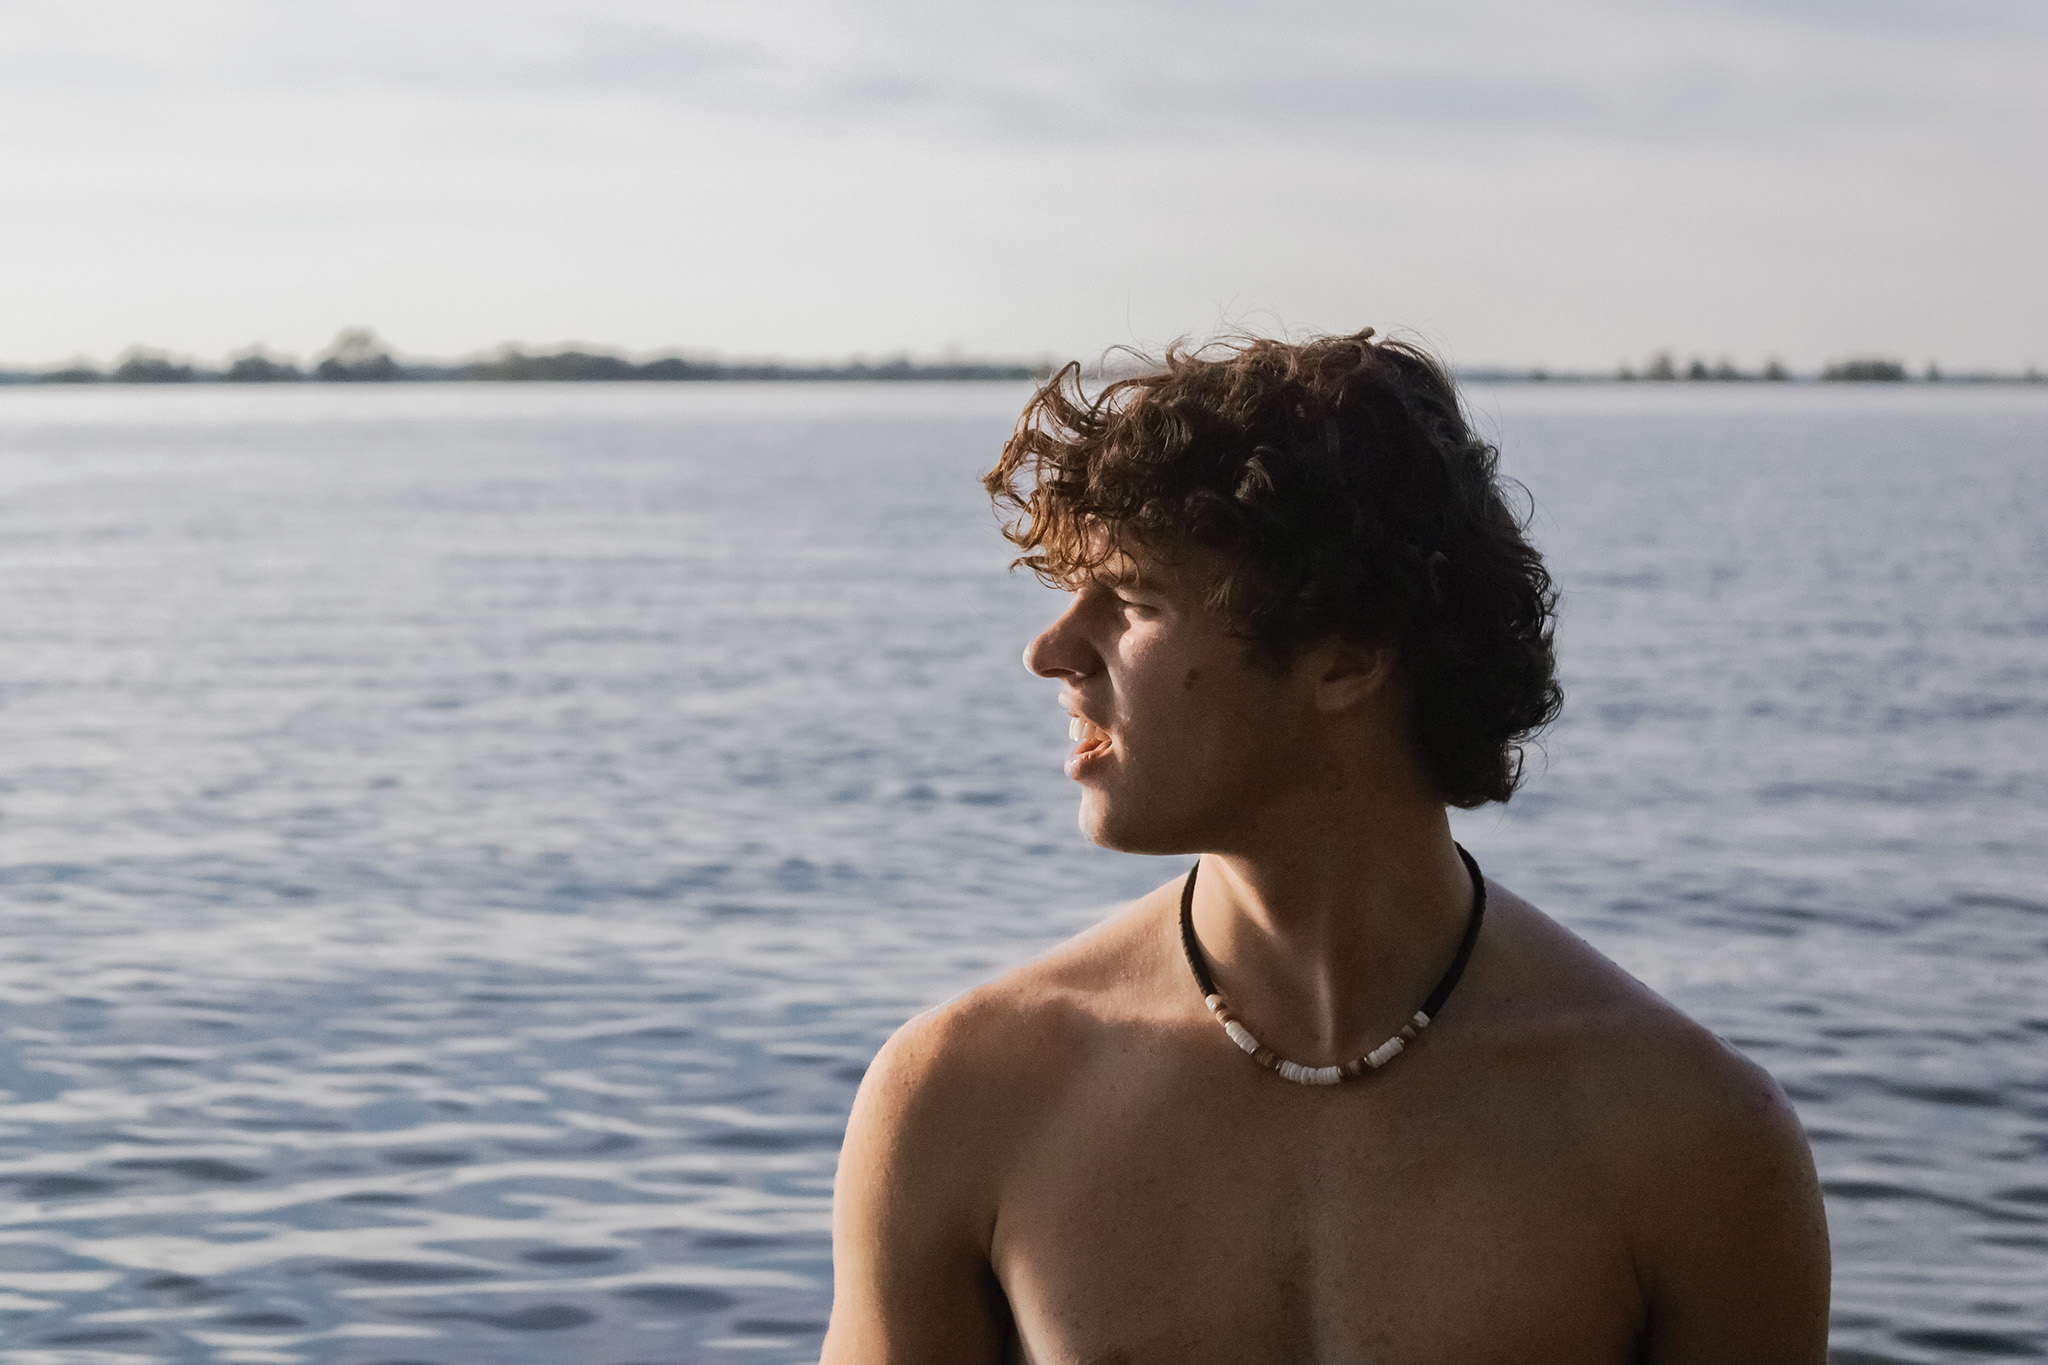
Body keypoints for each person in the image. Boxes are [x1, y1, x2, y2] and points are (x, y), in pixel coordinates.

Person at [822, 329, 1830, 1363]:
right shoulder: (961, 1098)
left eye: (1131, 602)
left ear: (1348, 655)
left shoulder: (1688, 1140)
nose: (1048, 652)